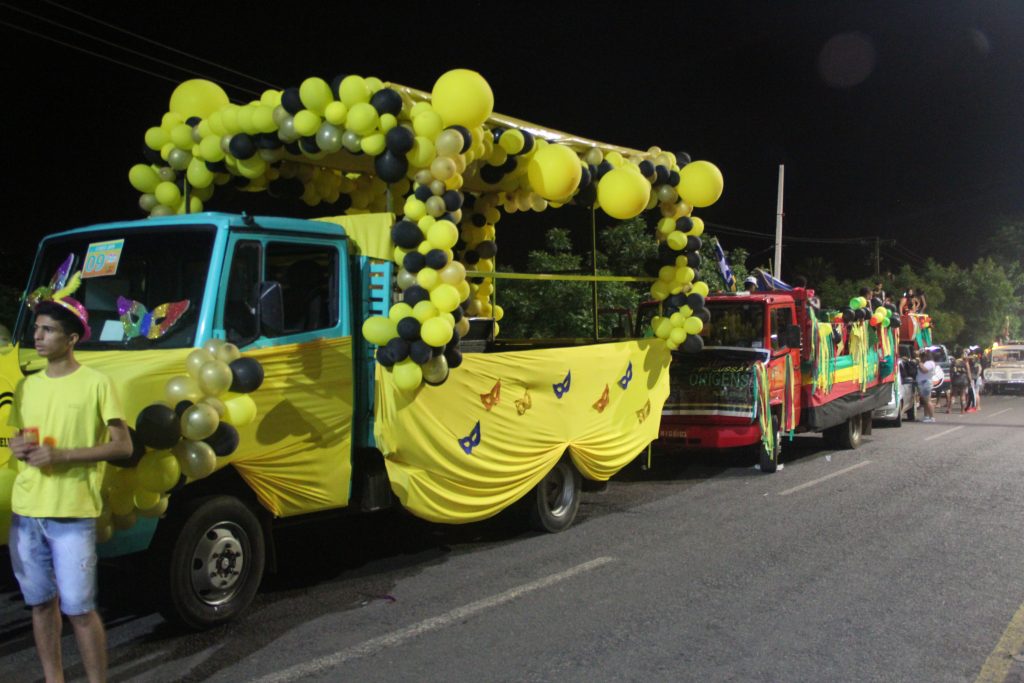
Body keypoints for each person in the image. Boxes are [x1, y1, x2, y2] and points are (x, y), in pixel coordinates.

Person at [8, 298, 132, 683]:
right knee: (41, 605)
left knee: (79, 609)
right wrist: (17, 446)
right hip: (26, 511)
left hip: (73, 512)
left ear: (72, 338)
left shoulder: (96, 383)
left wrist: (63, 455)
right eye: (37, 329)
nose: (38, 336)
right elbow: (19, 437)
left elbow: (123, 447)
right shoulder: (27, 386)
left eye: (48, 330)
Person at [915, 350, 938, 423]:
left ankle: (932, 417)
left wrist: (919, 363)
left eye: (922, 356)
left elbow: (924, 370)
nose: (921, 358)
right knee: (925, 401)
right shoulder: (928, 363)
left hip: (925, 383)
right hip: (923, 383)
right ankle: (926, 416)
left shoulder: (929, 363)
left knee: (928, 401)